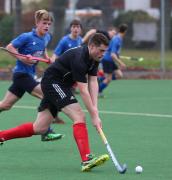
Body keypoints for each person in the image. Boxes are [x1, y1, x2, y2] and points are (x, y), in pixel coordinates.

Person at [0, 33, 110, 172]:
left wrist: (95, 109)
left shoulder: (94, 57)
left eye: (105, 51)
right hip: (53, 83)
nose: (103, 54)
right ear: (92, 46)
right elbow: (83, 90)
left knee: (40, 127)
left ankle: (1, 135)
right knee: (79, 116)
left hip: (59, 85)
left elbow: (93, 82)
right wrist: (93, 116)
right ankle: (86, 159)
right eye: (101, 50)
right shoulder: (80, 59)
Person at [0, 9, 64, 141]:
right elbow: (10, 47)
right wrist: (23, 59)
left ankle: (45, 129)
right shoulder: (27, 37)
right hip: (21, 75)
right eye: (44, 23)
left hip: (28, 76)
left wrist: (48, 58)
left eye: (49, 24)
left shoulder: (47, 37)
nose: (46, 26)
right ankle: (45, 131)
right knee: (48, 94)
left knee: (5, 105)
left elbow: (43, 49)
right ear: (37, 23)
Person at [98, 24, 128, 97]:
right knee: (109, 79)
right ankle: (97, 91)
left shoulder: (119, 38)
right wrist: (121, 63)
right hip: (108, 60)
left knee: (119, 75)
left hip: (111, 60)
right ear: (125, 31)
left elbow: (115, 53)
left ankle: (100, 79)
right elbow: (112, 55)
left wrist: (118, 60)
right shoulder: (116, 40)